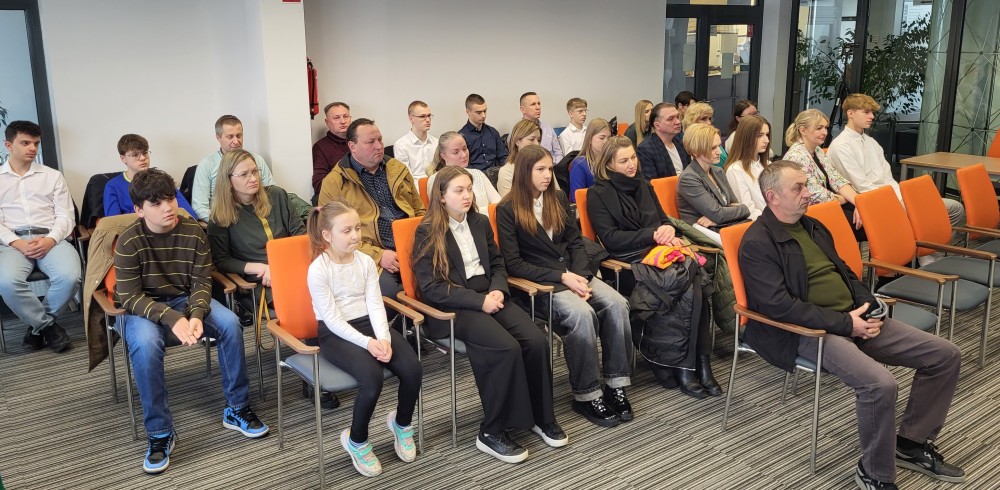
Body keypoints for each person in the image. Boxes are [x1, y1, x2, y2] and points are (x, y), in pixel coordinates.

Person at [739, 160, 964, 490]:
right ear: (773, 197)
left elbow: (845, 271)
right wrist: (847, 324)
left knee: (945, 355)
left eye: (806, 185)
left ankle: (911, 443)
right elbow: (779, 307)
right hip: (807, 331)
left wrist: (869, 305)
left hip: (852, 318)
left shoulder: (812, 226)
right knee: (879, 384)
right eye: (798, 188)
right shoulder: (758, 243)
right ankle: (875, 473)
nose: (807, 193)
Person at [114, 168, 268, 474]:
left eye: (170, 199)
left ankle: (237, 408)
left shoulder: (193, 232)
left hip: (185, 299)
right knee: (145, 342)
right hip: (144, 308)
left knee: (230, 323)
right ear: (139, 210)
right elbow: (129, 297)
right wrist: (173, 318)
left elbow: (201, 282)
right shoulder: (128, 241)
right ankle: (160, 433)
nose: (168, 207)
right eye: (156, 203)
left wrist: (196, 315)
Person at [413, 165, 566, 463]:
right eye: (459, 190)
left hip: (491, 295)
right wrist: (478, 301)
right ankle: (491, 431)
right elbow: (431, 287)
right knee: (506, 348)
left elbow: (498, 264)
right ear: (441, 197)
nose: (467, 196)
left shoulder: (480, 222)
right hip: (455, 306)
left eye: (469, 189)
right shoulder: (427, 231)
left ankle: (541, 416)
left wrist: (497, 290)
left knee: (536, 341)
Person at [497, 145, 634, 428]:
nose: (548, 175)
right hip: (540, 284)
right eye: (540, 170)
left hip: (575, 274)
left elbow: (576, 242)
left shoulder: (557, 198)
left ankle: (615, 384)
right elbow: (514, 264)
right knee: (581, 315)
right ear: (524, 172)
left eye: (549, 169)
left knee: (618, 304)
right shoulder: (507, 208)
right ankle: (587, 394)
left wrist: (580, 276)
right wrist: (563, 278)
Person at [586, 136, 720, 398]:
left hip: (660, 255)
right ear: (609, 164)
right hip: (628, 264)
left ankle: (697, 363)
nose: (631, 165)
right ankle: (689, 365)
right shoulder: (598, 194)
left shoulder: (644, 185)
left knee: (693, 282)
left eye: (633, 157)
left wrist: (667, 230)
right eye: (623, 161)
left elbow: (663, 221)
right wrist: (652, 234)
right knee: (691, 284)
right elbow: (611, 239)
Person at [306, 200, 422, 477]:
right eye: (346, 231)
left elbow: (375, 305)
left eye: (358, 228)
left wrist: (383, 338)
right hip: (335, 333)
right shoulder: (318, 270)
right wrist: (369, 344)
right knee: (372, 379)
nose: (355, 235)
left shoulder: (366, 261)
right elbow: (333, 320)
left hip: (371, 325)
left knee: (413, 369)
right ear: (327, 235)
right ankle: (356, 440)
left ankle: (401, 424)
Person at [827, 93, 964, 254]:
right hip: (875, 199)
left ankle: (928, 254)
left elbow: (888, 177)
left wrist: (900, 196)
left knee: (956, 208)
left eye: (872, 112)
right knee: (924, 215)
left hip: (892, 195)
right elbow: (862, 186)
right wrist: (894, 200)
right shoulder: (841, 146)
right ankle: (921, 256)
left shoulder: (871, 142)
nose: (872, 117)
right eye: (866, 112)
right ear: (850, 113)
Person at [317, 118, 424, 304]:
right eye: (370, 142)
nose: (379, 146)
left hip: (411, 246)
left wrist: (423, 243)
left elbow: (420, 211)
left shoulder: (397, 168)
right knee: (389, 296)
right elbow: (331, 237)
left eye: (380, 140)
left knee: (439, 282)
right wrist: (378, 255)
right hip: (369, 255)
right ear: (352, 146)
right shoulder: (335, 182)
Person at [0, 120, 77, 353]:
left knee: (70, 276)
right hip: (12, 242)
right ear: (8, 145)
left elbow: (66, 216)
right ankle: (47, 327)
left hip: (51, 238)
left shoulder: (53, 176)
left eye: (36, 143)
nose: (32, 148)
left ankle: (36, 329)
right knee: (7, 282)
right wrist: (18, 243)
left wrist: (50, 240)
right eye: (25, 143)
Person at [782, 108, 864, 240]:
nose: (824, 132)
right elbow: (815, 195)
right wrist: (844, 199)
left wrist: (858, 202)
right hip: (810, 212)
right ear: (803, 130)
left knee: (869, 213)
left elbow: (837, 179)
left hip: (829, 204)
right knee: (868, 223)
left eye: (825, 128)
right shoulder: (796, 156)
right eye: (819, 128)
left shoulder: (817, 150)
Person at [192, 115, 276, 220]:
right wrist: (221, 223)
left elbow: (272, 193)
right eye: (230, 137)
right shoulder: (206, 165)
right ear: (218, 137)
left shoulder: (257, 160)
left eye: (239, 136)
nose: (236, 142)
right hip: (225, 221)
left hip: (258, 218)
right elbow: (199, 208)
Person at [677, 123, 749, 231]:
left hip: (723, 227)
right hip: (702, 233)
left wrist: (720, 216)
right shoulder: (688, 178)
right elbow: (718, 214)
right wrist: (721, 215)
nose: (719, 152)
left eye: (719, 146)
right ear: (696, 152)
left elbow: (737, 206)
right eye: (713, 148)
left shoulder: (718, 171)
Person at [103, 134, 196, 217]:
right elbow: (114, 223)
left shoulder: (162, 180)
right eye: (135, 155)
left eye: (144, 153)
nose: (143, 158)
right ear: (123, 158)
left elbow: (190, 215)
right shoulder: (113, 186)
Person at [426, 132, 500, 212]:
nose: (464, 155)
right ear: (443, 156)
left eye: (465, 149)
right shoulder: (436, 180)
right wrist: (487, 211)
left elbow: (498, 204)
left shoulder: (478, 174)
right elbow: (446, 213)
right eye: (456, 152)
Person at [723, 115, 771, 220]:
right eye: (760, 135)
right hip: (760, 223)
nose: (766, 140)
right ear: (746, 138)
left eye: (767, 135)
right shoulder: (735, 170)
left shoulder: (768, 164)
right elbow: (748, 210)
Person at [637, 103, 690, 179]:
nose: (678, 122)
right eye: (670, 119)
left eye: (678, 117)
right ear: (657, 125)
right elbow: (651, 182)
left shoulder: (681, 139)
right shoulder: (646, 149)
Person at [312, 102, 352, 196]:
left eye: (345, 116)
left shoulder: (361, 141)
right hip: (341, 197)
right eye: (336, 118)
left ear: (350, 119)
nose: (343, 121)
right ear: (327, 122)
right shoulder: (320, 147)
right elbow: (319, 184)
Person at [459, 94, 508, 170]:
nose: (483, 115)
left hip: (497, 172)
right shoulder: (461, 137)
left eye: (485, 111)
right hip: (475, 175)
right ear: (468, 112)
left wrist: (506, 171)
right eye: (479, 112)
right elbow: (463, 164)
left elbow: (503, 156)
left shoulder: (493, 132)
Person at [568, 118, 612, 202]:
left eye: (609, 138)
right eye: (602, 138)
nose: (606, 142)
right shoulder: (579, 164)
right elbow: (577, 199)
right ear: (590, 139)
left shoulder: (611, 160)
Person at [392, 100, 438, 180]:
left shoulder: (436, 142)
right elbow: (407, 178)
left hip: (436, 184)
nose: (428, 120)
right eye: (422, 116)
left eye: (429, 116)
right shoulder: (401, 145)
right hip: (415, 186)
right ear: (411, 119)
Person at [496, 119, 542, 197]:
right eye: (532, 139)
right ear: (517, 141)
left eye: (539, 140)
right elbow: (507, 203)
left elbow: (557, 196)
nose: (537, 144)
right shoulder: (507, 171)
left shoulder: (544, 166)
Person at [518, 92, 564, 163]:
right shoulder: (517, 131)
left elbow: (558, 153)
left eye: (539, 103)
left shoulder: (548, 128)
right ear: (523, 109)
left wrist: (555, 166)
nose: (538, 107)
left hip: (553, 166)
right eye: (533, 104)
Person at [682, 102, 727, 167]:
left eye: (710, 118)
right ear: (691, 121)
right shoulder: (689, 144)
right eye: (703, 119)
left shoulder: (714, 136)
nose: (709, 123)